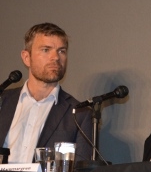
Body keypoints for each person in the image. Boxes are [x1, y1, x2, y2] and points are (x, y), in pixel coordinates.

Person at [0, 22, 93, 163]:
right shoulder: (3, 101)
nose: (55, 57)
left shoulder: (79, 113)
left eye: (61, 51)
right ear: (26, 57)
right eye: (45, 50)